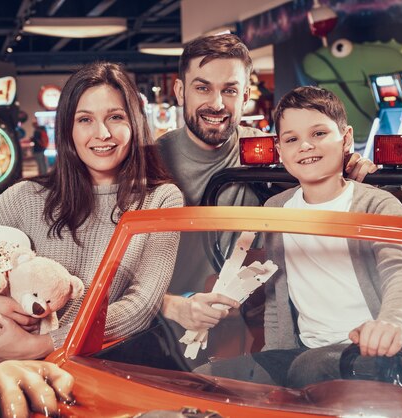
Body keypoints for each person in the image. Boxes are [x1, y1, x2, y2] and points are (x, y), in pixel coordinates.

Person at [0, 62, 183, 364]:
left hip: (96, 374)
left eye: (115, 117)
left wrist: (40, 345)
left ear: (135, 123)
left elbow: (141, 306)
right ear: (67, 129)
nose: (102, 133)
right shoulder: (26, 197)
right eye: (85, 119)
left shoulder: (160, 199)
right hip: (11, 376)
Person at [197, 86, 402, 388]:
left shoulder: (377, 205)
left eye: (319, 133)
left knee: (310, 370)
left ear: (346, 138)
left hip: (384, 354)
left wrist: (392, 323)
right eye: (292, 139)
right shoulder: (277, 208)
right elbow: (275, 296)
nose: (306, 146)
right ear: (280, 150)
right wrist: (271, 365)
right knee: (204, 381)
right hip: (303, 354)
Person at [158, 33, 378, 331]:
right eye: (203, 88)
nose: (217, 103)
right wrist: (172, 305)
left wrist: (347, 167)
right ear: (181, 91)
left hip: (253, 324)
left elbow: (326, 186)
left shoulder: (277, 154)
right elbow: (113, 269)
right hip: (165, 325)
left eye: (230, 90)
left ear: (246, 96)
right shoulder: (146, 163)